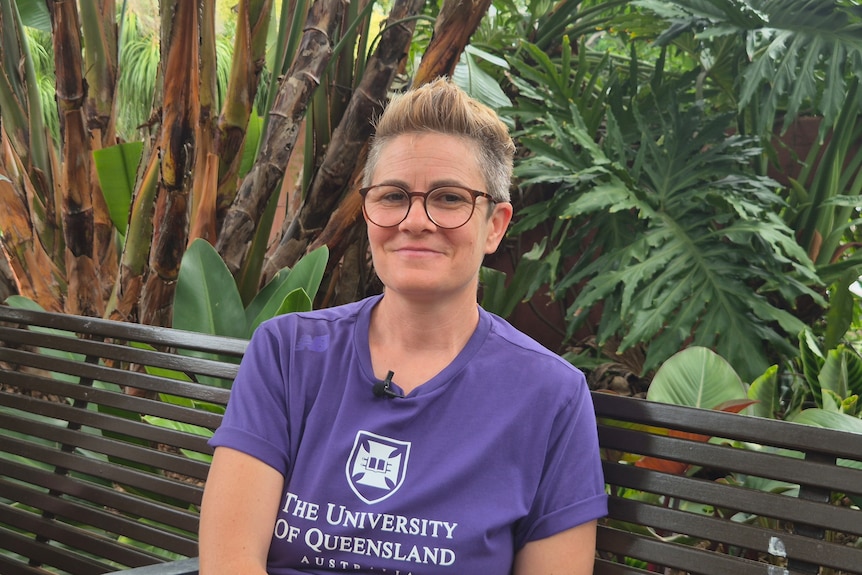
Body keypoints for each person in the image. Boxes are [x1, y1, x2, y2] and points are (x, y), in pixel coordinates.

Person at [198, 77, 608, 574]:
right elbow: (230, 562)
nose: (415, 220)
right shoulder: (287, 354)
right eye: (393, 196)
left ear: (495, 225)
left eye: (450, 198)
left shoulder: (550, 397)